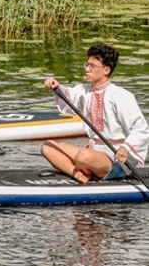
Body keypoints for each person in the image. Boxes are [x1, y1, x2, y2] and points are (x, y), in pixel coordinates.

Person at [41, 43, 149, 183]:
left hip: (117, 157)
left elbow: (141, 128)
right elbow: (67, 96)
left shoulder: (121, 95)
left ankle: (86, 168)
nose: (87, 69)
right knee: (47, 147)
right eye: (87, 65)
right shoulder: (84, 90)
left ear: (106, 70)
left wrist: (125, 148)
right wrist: (55, 86)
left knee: (83, 156)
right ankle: (78, 175)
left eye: (92, 66)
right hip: (93, 151)